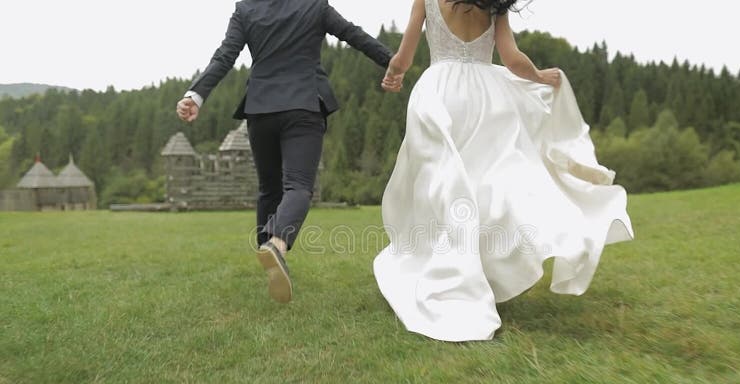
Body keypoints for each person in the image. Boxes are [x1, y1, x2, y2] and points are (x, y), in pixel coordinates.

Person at [374, 0, 635, 342]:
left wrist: (394, 73)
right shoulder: (494, 4)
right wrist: (540, 77)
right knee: (489, 183)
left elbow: (404, 56)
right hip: (486, 98)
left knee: (444, 185)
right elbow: (512, 59)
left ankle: (452, 271)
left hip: (439, 92)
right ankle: (477, 273)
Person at [176, 0, 394, 303]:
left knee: (269, 190)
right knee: (299, 187)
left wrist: (195, 95)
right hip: (303, 105)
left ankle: (270, 256)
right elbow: (353, 35)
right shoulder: (314, 6)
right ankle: (277, 245)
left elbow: (225, 55)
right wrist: (394, 62)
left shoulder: (245, 10)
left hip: (260, 110)